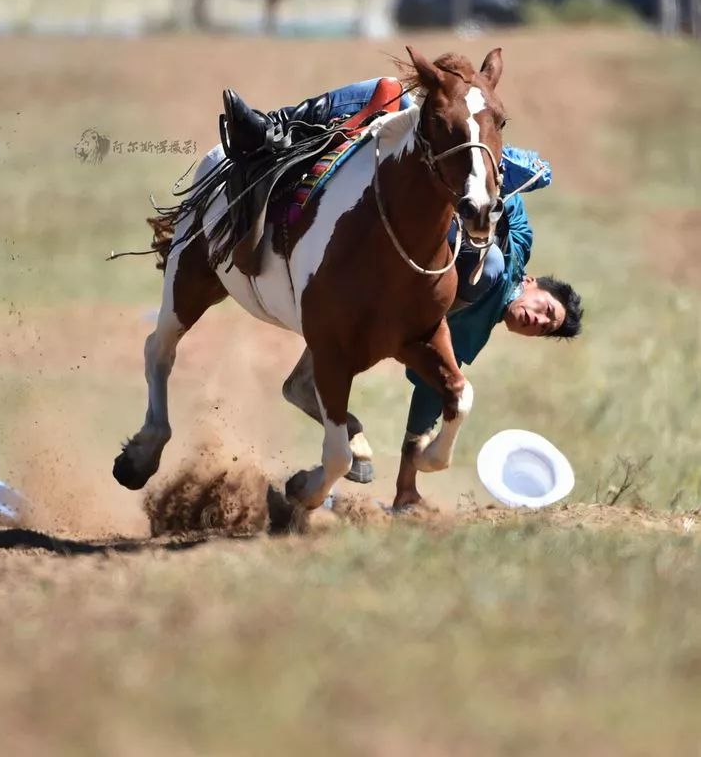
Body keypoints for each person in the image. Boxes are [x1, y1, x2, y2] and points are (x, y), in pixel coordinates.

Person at [225, 74, 584, 501]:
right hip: (441, 204)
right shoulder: (520, 245)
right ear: (533, 283)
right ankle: (274, 128)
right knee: (389, 91)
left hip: (391, 306)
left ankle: (311, 413)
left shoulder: (475, 329)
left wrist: (405, 486)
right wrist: (488, 175)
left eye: (542, 329)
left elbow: (432, 393)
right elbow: (514, 198)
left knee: (481, 268)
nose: (535, 320)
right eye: (546, 310)